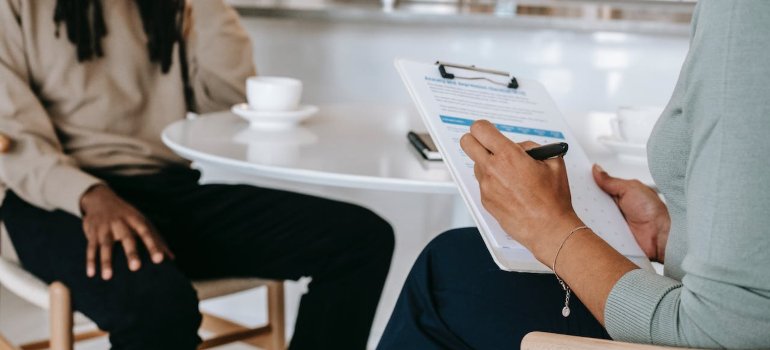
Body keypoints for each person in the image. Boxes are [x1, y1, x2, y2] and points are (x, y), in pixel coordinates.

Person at [0, 1, 394, 349]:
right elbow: (12, 135)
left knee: (360, 240)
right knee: (157, 308)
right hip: (51, 196)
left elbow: (226, 101)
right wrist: (90, 195)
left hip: (164, 185)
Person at [378, 1, 770, 349]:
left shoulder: (744, 14)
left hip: (686, 334)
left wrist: (549, 227)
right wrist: (670, 235)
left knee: (449, 271)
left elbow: (724, 331)